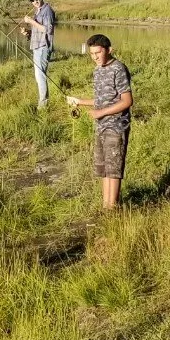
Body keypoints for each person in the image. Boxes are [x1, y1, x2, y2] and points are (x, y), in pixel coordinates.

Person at [66, 33, 132, 209]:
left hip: (116, 125)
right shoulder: (97, 70)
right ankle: (105, 207)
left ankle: (113, 209)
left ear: (108, 50)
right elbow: (100, 99)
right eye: (92, 54)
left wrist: (101, 112)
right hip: (101, 126)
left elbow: (127, 101)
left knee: (114, 170)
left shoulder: (118, 69)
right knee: (103, 170)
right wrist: (79, 101)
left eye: (98, 52)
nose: (95, 57)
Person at [20, 0, 57, 106]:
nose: (35, 2)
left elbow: (47, 30)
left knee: (40, 76)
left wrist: (31, 21)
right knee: (38, 76)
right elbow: (39, 29)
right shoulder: (38, 12)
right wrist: (28, 33)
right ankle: (44, 102)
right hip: (37, 46)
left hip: (43, 47)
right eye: (32, 0)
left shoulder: (47, 11)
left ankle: (43, 105)